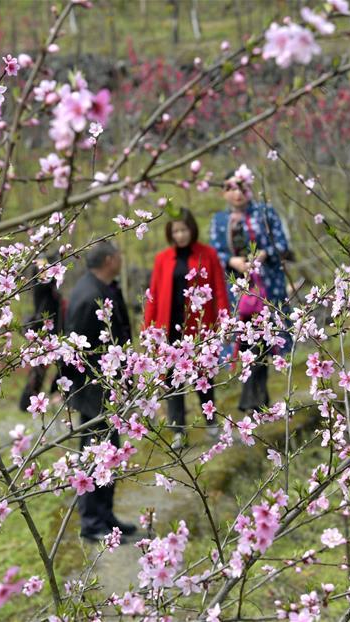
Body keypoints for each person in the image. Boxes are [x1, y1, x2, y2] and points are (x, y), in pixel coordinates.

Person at [61, 241, 138, 541]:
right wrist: (71, 391)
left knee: (110, 454)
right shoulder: (89, 294)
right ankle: (92, 522)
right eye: (118, 254)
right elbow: (72, 349)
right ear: (109, 259)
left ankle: (105, 516)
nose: (121, 259)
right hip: (94, 392)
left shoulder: (103, 288)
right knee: (96, 455)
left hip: (108, 388)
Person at [143, 208, 230, 448]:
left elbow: (220, 289)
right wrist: (148, 329)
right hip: (168, 327)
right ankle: (178, 430)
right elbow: (154, 294)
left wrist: (224, 322)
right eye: (176, 231)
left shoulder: (208, 254)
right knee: (173, 381)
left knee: (202, 377)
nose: (180, 235)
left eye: (184, 230)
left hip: (198, 327)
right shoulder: (162, 258)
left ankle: (211, 423)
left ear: (192, 229)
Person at [209, 165, 291, 414]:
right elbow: (216, 251)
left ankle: (254, 397)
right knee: (243, 342)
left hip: (266, 286)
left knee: (265, 339)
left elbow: (282, 244)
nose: (237, 194)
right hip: (237, 289)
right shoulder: (219, 221)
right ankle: (254, 396)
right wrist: (233, 262)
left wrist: (263, 255)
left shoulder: (266, 213)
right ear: (223, 193)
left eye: (241, 187)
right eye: (230, 188)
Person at [19, 256, 66, 412]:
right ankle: (27, 401)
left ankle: (56, 393)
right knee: (39, 368)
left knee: (59, 364)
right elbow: (43, 281)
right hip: (45, 330)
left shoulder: (52, 291)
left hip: (55, 330)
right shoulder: (42, 287)